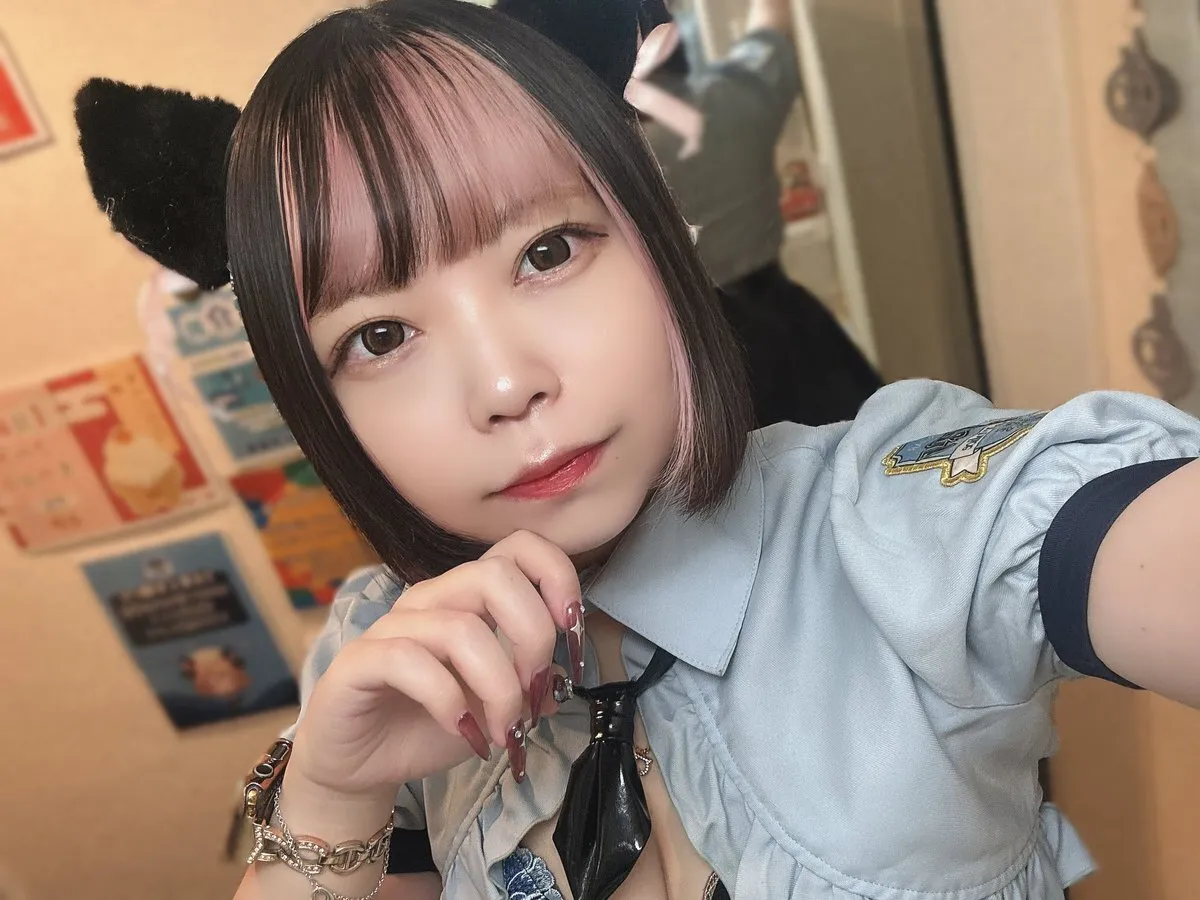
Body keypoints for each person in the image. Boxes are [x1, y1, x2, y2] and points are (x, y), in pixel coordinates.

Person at [74, 2, 1200, 899]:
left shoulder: (897, 519)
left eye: (548, 251)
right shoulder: (379, 656)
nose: (506, 384)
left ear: (655, 234)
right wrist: (328, 802)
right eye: (379, 337)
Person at [633, 0, 884, 427]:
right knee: (864, 442)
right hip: (789, 329)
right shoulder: (729, 102)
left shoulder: (595, 161)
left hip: (689, 360)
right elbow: (772, 27)